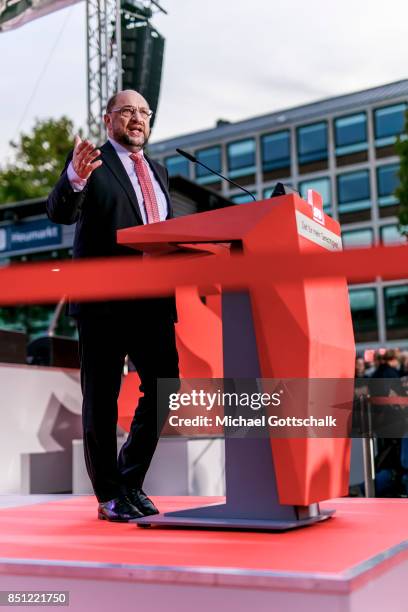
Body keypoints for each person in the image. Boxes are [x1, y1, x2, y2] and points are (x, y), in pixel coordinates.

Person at [47, 89, 179, 522]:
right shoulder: (93, 163)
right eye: (127, 111)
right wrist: (74, 178)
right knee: (101, 398)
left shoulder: (159, 170)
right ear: (109, 121)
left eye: (144, 112)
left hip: (153, 300)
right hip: (105, 302)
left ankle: (130, 480)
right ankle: (108, 493)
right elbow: (60, 212)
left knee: (164, 384)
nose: (137, 118)